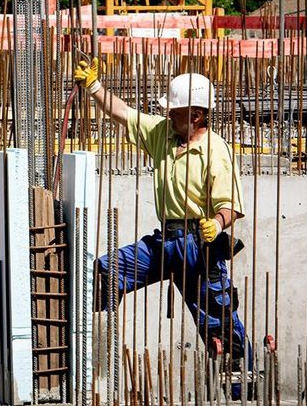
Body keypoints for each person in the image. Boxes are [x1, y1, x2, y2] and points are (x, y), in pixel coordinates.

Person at [73, 59, 248, 372]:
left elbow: (230, 204)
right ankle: (80, 351)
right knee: (104, 273)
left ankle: (239, 381)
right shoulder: (164, 135)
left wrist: (216, 223)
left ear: (196, 114)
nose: (168, 115)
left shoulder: (216, 150)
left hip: (199, 247)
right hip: (166, 241)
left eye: (175, 112)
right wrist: (94, 87)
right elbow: (123, 114)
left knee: (219, 324)